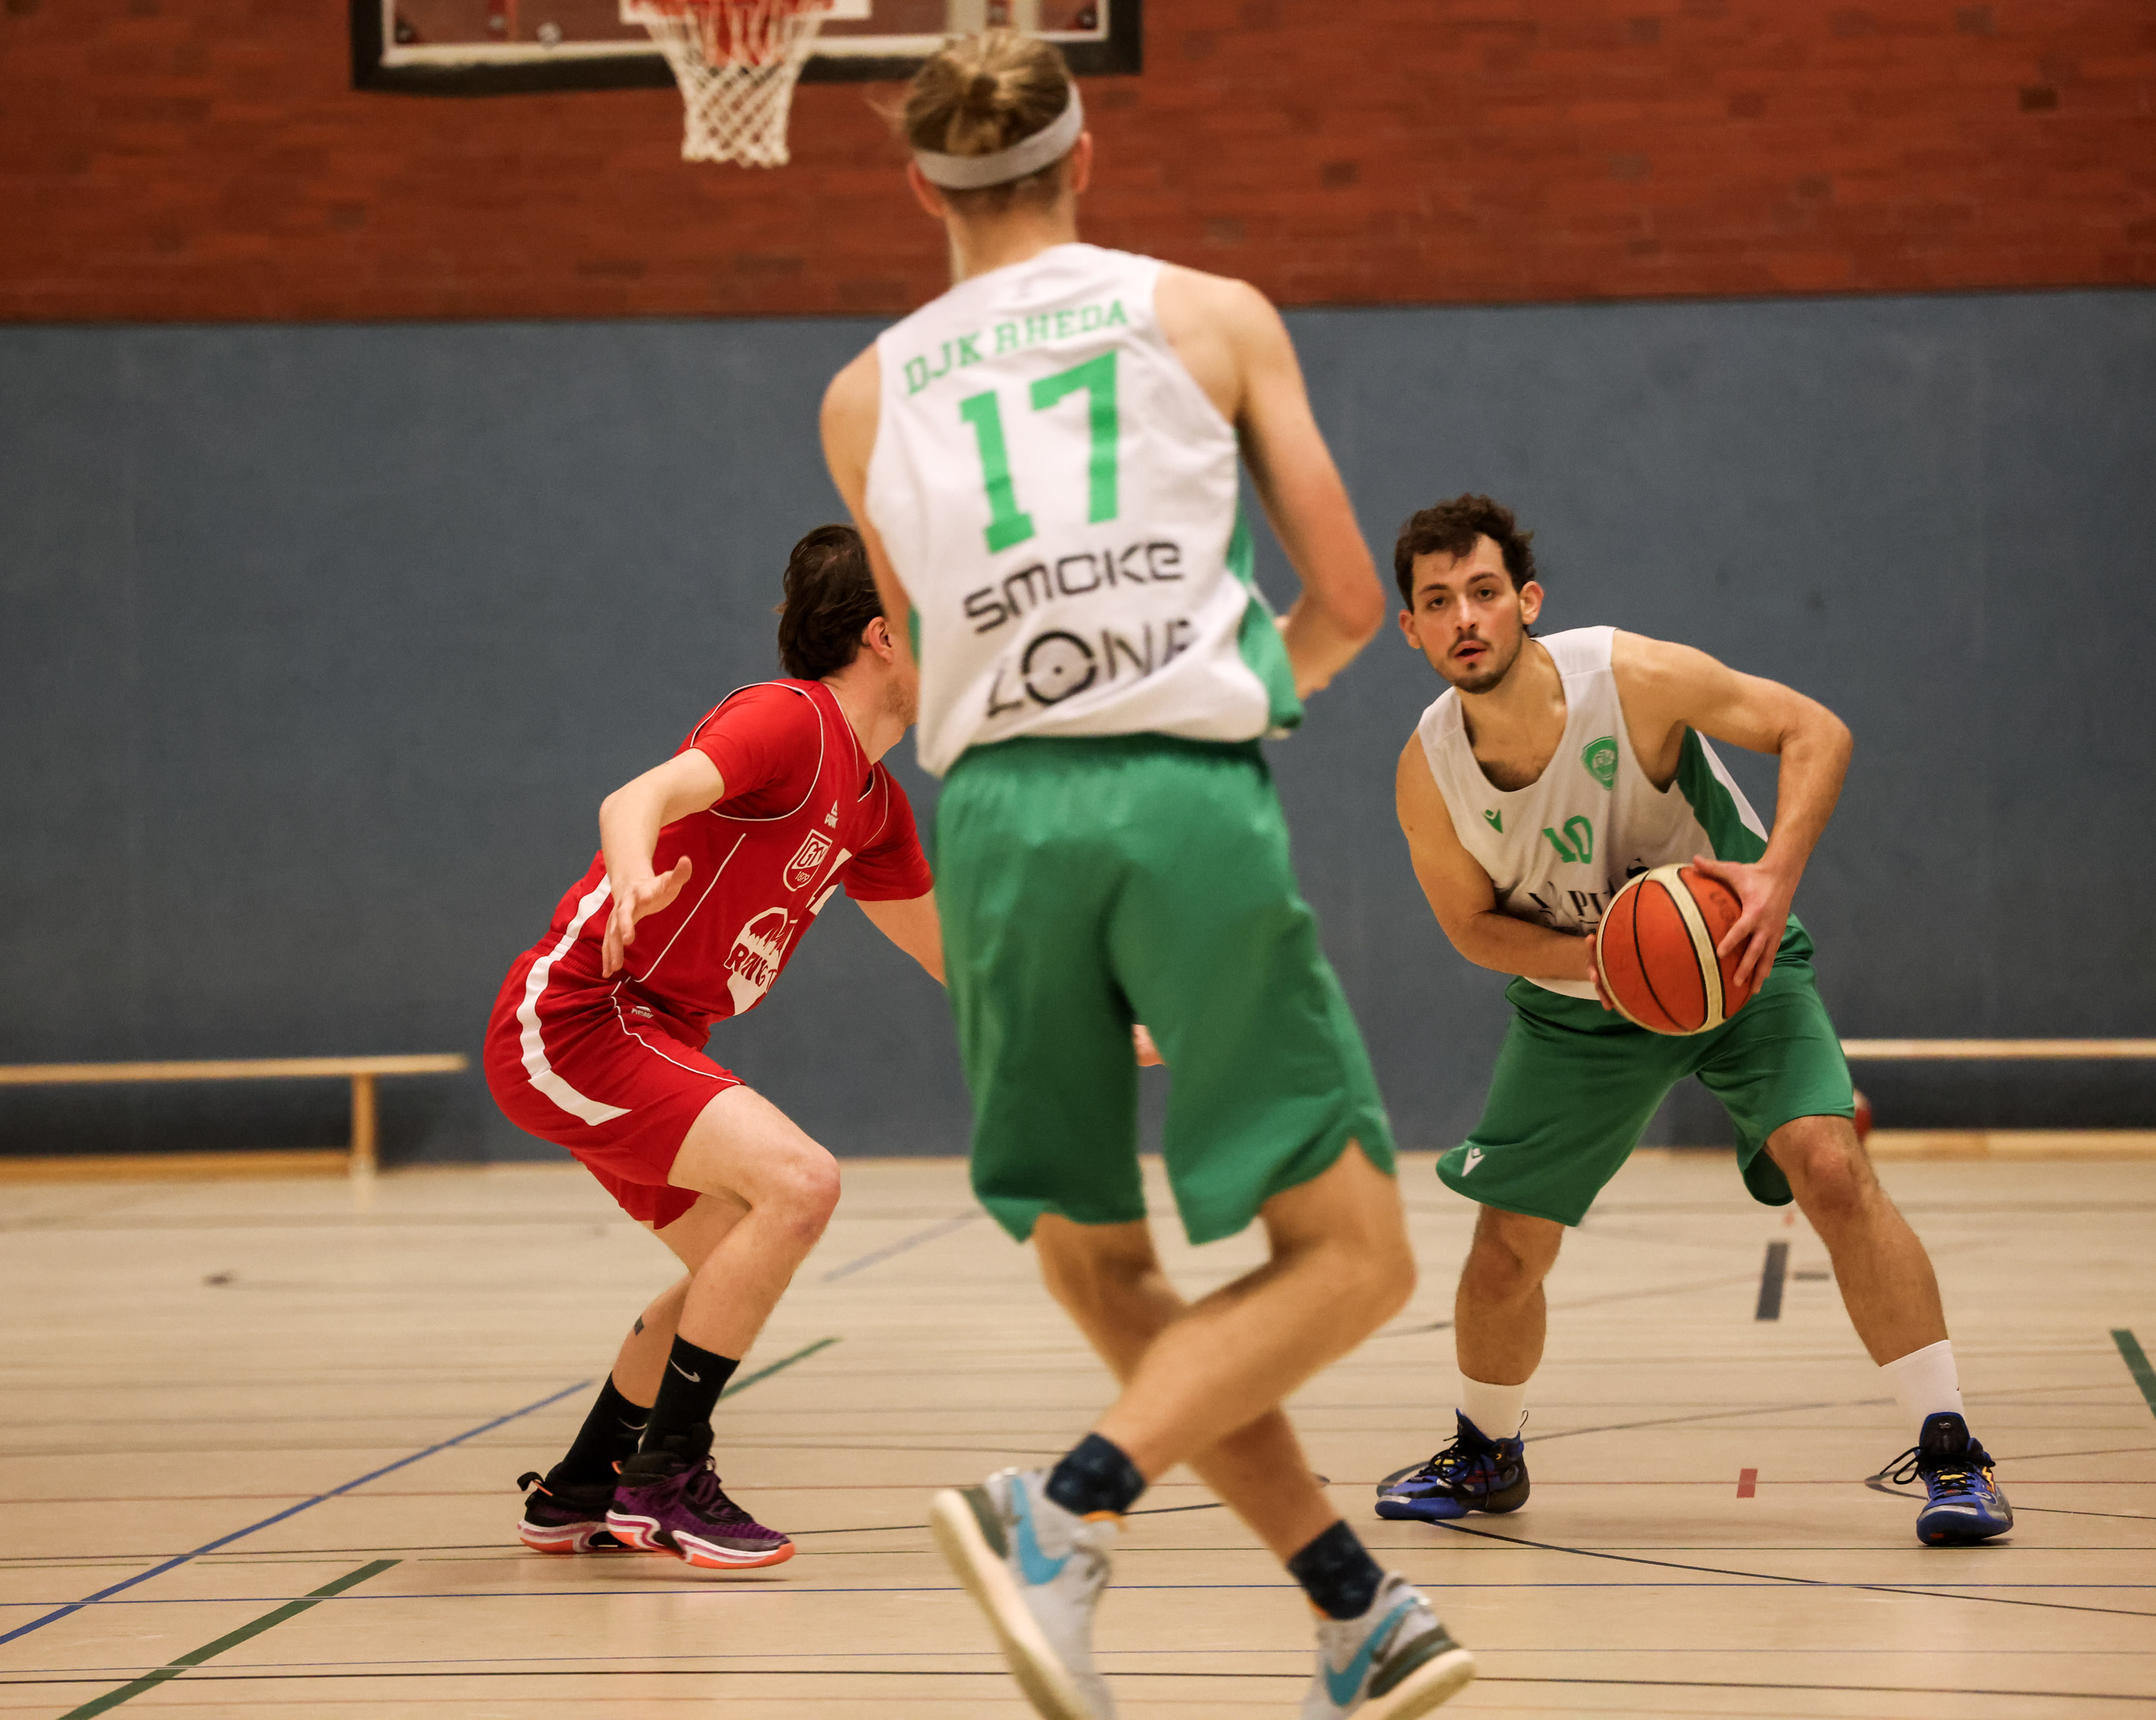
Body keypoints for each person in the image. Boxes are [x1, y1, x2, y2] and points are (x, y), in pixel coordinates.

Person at [819, 31, 1474, 1720]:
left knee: (1090, 1253)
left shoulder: (862, 396)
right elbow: (1349, 596)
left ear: (920, 186)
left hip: (991, 819)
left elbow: (925, 647)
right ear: (1084, 157)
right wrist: (1233, 694)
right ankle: (1063, 1506)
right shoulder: (1210, 315)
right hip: (1178, 794)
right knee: (1357, 1254)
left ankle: (1353, 1602)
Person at [1380, 492, 2011, 1548]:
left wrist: (1774, 875)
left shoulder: (1629, 677)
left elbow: (1814, 731)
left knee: (1830, 1167)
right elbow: (1471, 927)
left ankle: (1952, 1452)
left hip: (1735, 961)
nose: (1464, 617)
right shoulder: (1427, 769)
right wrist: (1597, 962)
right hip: (1581, 1004)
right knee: (1505, 1245)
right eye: (1437, 601)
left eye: (1482, 591)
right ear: (1410, 628)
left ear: (1526, 600)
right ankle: (1486, 1454)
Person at [486, 524, 941, 1570]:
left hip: (653, 1033)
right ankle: (665, 1478)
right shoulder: (791, 719)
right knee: (801, 1182)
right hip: (581, 1015)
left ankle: (582, 1485)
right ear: (883, 635)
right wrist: (633, 873)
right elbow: (635, 797)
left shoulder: (874, 804)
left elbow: (948, 955)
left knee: (728, 1256)